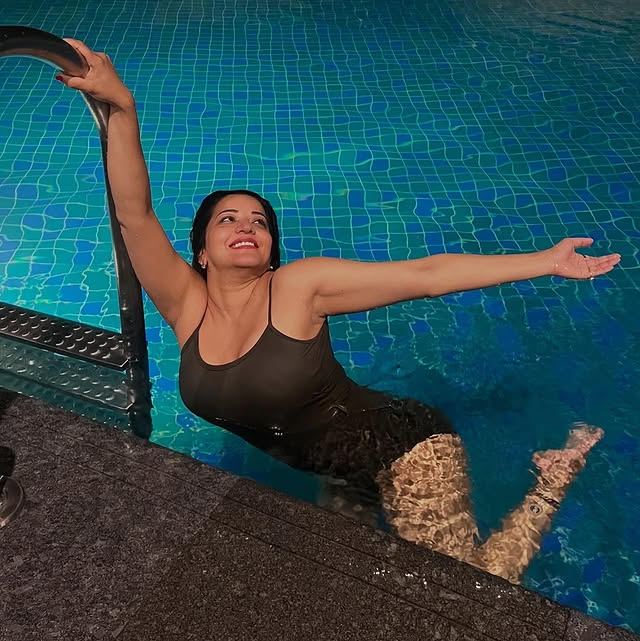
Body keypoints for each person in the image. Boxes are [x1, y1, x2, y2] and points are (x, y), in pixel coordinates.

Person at [56, 40, 620, 584]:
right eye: (227, 219)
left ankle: (556, 477)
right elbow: (134, 215)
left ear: (272, 249)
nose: (246, 226)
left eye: (259, 222)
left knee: (468, 587)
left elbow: (425, 276)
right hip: (340, 469)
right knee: (346, 590)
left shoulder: (299, 287)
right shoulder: (185, 307)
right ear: (201, 251)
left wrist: (545, 261)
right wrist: (122, 107)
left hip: (406, 450)